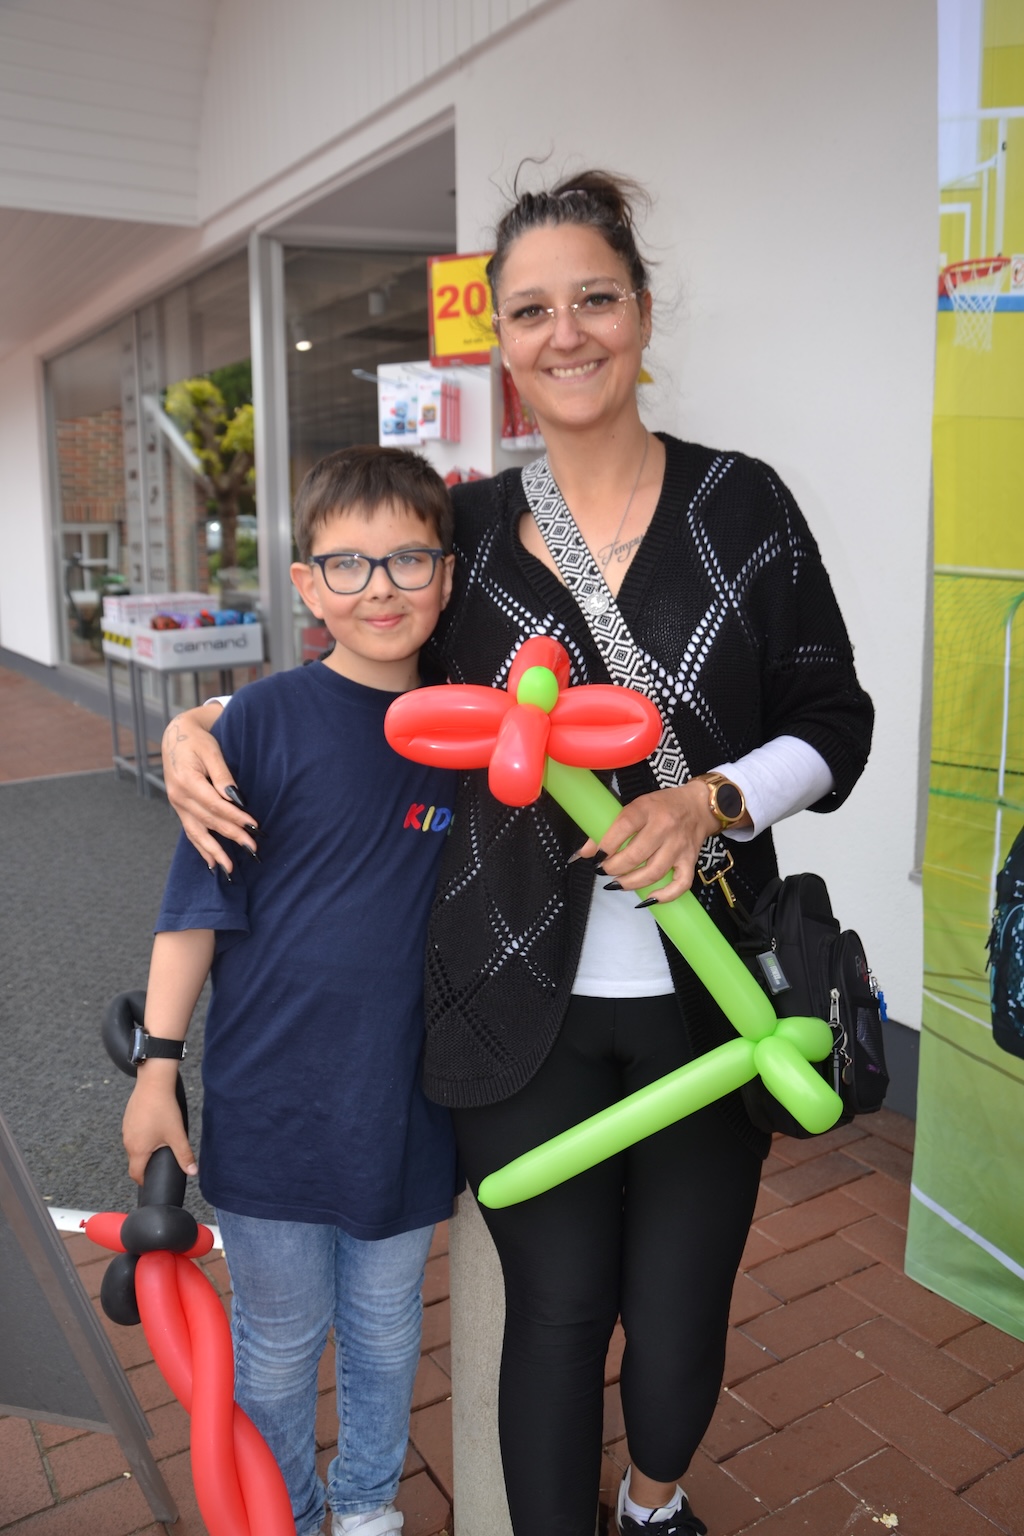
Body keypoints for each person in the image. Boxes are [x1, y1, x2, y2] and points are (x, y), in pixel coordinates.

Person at [159, 171, 874, 1536]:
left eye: (594, 298)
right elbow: (362, 662)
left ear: (641, 311)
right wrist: (205, 719)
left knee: (677, 1317)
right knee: (553, 1313)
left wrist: (714, 800)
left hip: (713, 997)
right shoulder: (471, 530)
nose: (567, 332)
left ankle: (653, 1506)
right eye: (533, 310)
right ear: (501, 340)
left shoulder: (743, 507)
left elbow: (836, 721)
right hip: (507, 1001)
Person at [123, 446, 460, 1536]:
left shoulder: (470, 737)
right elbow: (193, 913)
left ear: (445, 574)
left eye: (408, 560)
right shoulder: (257, 724)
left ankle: (365, 1507)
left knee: (387, 1332)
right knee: (273, 1343)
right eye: (348, 564)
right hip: (270, 1102)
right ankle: (289, 1515)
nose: (380, 588)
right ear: (307, 584)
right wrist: (157, 1071)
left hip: (406, 1107)